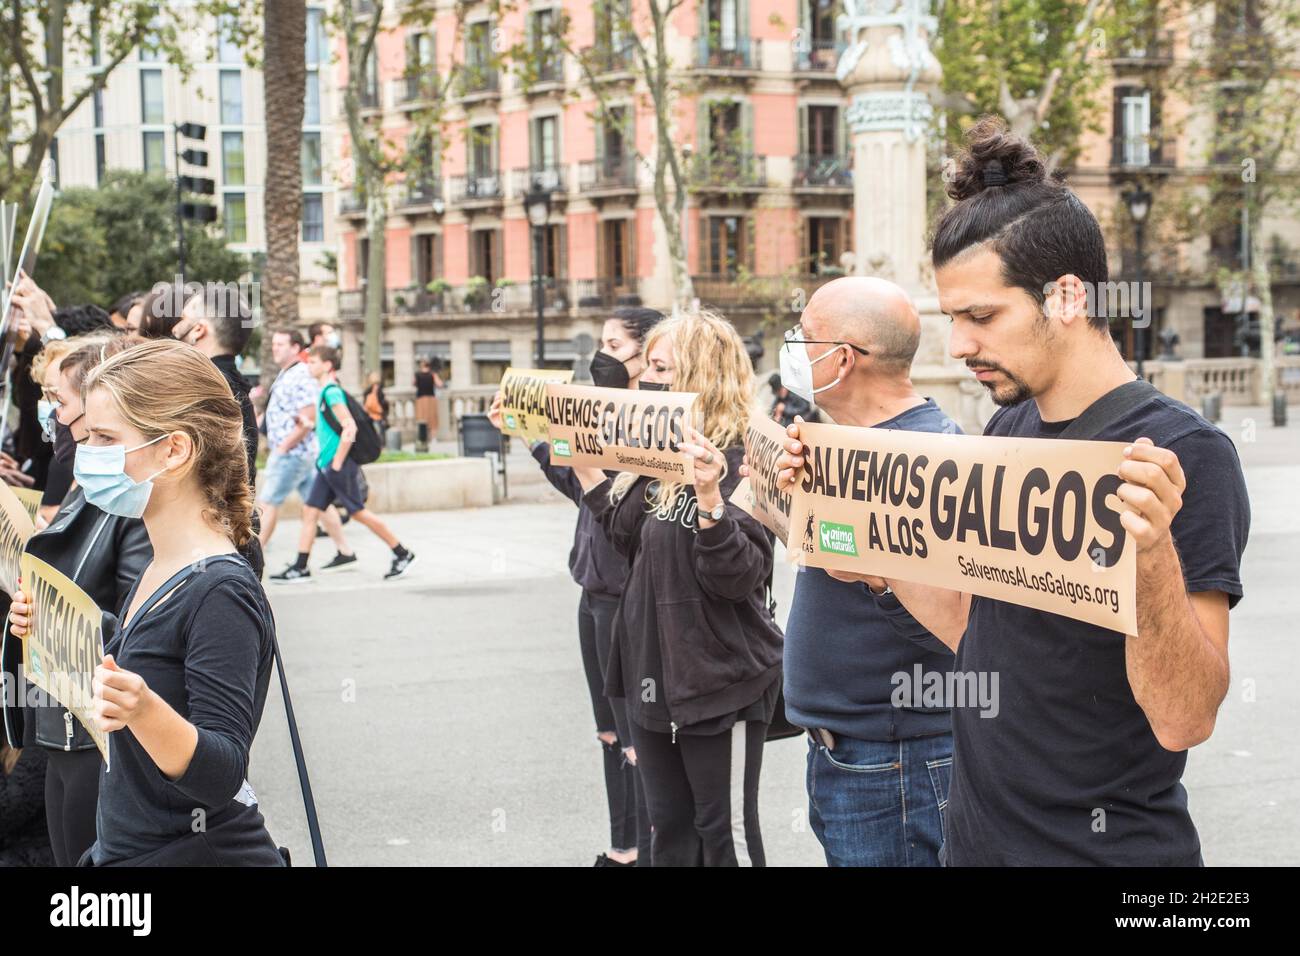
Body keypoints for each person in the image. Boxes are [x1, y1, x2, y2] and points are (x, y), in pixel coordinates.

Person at [801, 117, 1251, 866]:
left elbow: (1183, 719)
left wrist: (1151, 560)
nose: (961, 345)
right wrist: (854, 534)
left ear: (1067, 297)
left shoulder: (1183, 453)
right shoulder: (1008, 424)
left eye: (981, 317)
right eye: (953, 319)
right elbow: (978, 633)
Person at [9, 338, 284, 866]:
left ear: (174, 450)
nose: (86, 453)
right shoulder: (165, 565)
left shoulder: (220, 589)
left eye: (106, 438)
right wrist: (60, 621)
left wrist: (142, 708)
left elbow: (222, 774)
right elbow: (151, 654)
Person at [745, 277, 960, 867]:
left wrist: (877, 577)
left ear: (842, 359)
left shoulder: (932, 459)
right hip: (852, 754)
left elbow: (962, 627)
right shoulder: (843, 444)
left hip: (898, 761)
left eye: (803, 337)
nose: (792, 348)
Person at [565, 309, 784, 867]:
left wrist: (711, 499)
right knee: (670, 831)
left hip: (719, 682)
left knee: (723, 831)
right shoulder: (658, 451)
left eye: (660, 368)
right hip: (650, 678)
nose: (647, 380)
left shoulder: (745, 458)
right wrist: (587, 464)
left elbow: (740, 577)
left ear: (699, 373)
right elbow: (626, 537)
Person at [488, 305, 664, 866]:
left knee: (637, 737)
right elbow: (578, 485)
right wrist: (530, 435)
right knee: (610, 734)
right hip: (592, 589)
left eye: (616, 344)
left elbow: (619, 503)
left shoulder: (651, 421)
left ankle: (648, 849)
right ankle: (623, 846)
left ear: (647, 353)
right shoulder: (601, 410)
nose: (603, 354)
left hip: (628, 597)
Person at [1, 336, 152, 867]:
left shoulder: (129, 498)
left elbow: (141, 631)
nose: (71, 431)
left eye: (102, 434)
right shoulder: (92, 483)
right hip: (60, 723)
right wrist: (29, 614)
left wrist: (60, 614)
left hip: (95, 730)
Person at [270, 345, 416, 582]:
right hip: (326, 465)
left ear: (327, 365)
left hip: (336, 465)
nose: (309, 366)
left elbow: (350, 427)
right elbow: (331, 429)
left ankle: (402, 553)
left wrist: (337, 462)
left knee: (358, 512)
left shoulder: (331, 392)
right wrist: (308, 426)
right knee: (309, 511)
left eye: (314, 362)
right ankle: (300, 567)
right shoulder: (323, 391)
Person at [257, 328, 349, 555]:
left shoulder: (301, 375)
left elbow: (308, 414)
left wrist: (284, 446)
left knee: (267, 502)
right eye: (274, 344)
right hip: (298, 452)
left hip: (293, 453)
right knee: (319, 503)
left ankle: (253, 556)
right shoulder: (287, 373)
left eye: (281, 344)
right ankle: (345, 551)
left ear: (296, 348)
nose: (274, 348)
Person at [414, 358, 443, 441]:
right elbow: (440, 384)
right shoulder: (432, 374)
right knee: (432, 419)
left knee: (421, 419)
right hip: (430, 399)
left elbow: (414, 383)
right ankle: (433, 438)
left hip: (421, 399)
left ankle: (422, 438)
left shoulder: (417, 375)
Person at [363, 371, 389, 447]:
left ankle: (381, 446)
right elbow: (368, 405)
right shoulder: (369, 393)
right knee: (376, 433)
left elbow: (383, 405)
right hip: (373, 416)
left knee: (380, 433)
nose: (376, 386)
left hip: (377, 416)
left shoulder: (379, 393)